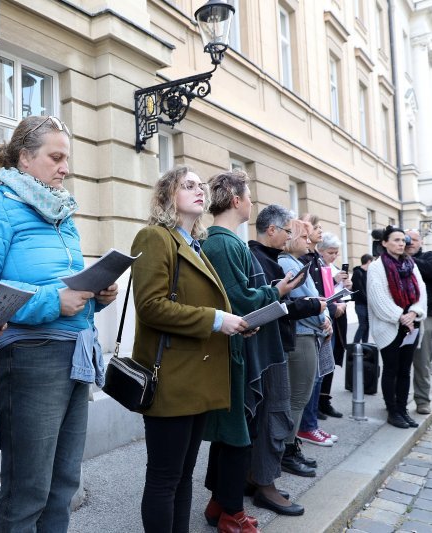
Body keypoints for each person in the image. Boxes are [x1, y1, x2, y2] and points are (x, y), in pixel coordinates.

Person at [0, 115, 118, 532]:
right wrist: (53, 301)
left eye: (67, 158)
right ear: (25, 159)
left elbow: (65, 291)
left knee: (63, 485)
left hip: (75, 353)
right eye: (56, 157)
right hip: (30, 357)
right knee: (27, 491)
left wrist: (95, 298)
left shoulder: (62, 214)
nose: (65, 167)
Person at [130, 166, 248, 532]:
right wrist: (215, 320)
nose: (200, 191)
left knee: (183, 478)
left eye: (201, 186)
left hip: (196, 380)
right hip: (172, 380)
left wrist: (236, 325)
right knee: (165, 478)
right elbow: (150, 307)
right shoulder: (154, 237)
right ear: (168, 196)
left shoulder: (195, 243)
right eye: (189, 186)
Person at [199, 170, 300, 533]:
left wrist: (272, 293)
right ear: (237, 200)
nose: (253, 203)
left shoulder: (226, 242)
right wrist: (277, 293)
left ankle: (220, 505)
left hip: (239, 347)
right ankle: (230, 513)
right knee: (236, 434)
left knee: (235, 433)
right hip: (233, 352)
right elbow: (239, 299)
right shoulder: (222, 243)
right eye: (250, 195)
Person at [247, 205, 325, 517]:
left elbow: (279, 301)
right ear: (272, 230)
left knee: (273, 415)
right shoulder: (259, 258)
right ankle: (264, 483)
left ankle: (259, 479)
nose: (290, 237)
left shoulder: (268, 258)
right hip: (268, 347)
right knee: (273, 415)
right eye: (288, 232)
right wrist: (309, 305)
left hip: (277, 343)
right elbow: (271, 303)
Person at [278, 220, 333, 466]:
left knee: (298, 396)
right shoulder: (288, 262)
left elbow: (313, 299)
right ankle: (286, 450)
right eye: (304, 238)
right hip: (301, 335)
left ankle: (289, 447)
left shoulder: (295, 262)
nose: (308, 242)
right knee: (298, 397)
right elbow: (306, 302)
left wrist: (324, 317)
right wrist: (324, 319)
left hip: (306, 333)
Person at [367, 226, 426, 429]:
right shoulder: (377, 266)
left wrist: (414, 313)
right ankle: (392, 411)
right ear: (384, 243)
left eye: (403, 240)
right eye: (396, 240)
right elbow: (378, 298)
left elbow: (422, 292)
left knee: (405, 370)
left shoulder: (411, 264)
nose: (401, 243)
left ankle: (402, 409)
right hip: (390, 326)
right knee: (391, 369)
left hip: (411, 324)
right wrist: (401, 317)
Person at [299, 215, 343, 424]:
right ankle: (308, 423)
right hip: (312, 324)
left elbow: (322, 292)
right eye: (315, 227)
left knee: (322, 372)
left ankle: (314, 416)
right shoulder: (303, 259)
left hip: (323, 318)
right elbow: (309, 295)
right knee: (312, 377)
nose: (320, 231)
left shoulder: (315, 258)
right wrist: (326, 313)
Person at [315, 232, 351, 420]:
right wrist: (335, 282)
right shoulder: (317, 266)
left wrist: (347, 288)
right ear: (320, 251)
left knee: (331, 360)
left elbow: (340, 293)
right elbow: (321, 293)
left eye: (336, 252)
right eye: (331, 252)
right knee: (322, 361)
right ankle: (317, 404)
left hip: (338, 317)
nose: (334, 256)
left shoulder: (333, 267)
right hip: (325, 317)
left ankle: (325, 400)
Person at [405, 229, 432, 415]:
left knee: (421, 361)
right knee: (398, 363)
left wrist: (405, 259)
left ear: (421, 242)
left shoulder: (431, 257)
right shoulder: (395, 260)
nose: (410, 243)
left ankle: (422, 400)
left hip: (425, 316)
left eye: (414, 239)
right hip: (401, 316)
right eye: (406, 239)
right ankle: (397, 401)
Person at [351, 254, 373, 343]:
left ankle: (365, 345)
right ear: (368, 261)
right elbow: (359, 290)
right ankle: (354, 345)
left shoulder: (367, 273)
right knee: (363, 325)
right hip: (360, 304)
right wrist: (369, 301)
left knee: (367, 326)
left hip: (366, 304)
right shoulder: (357, 272)